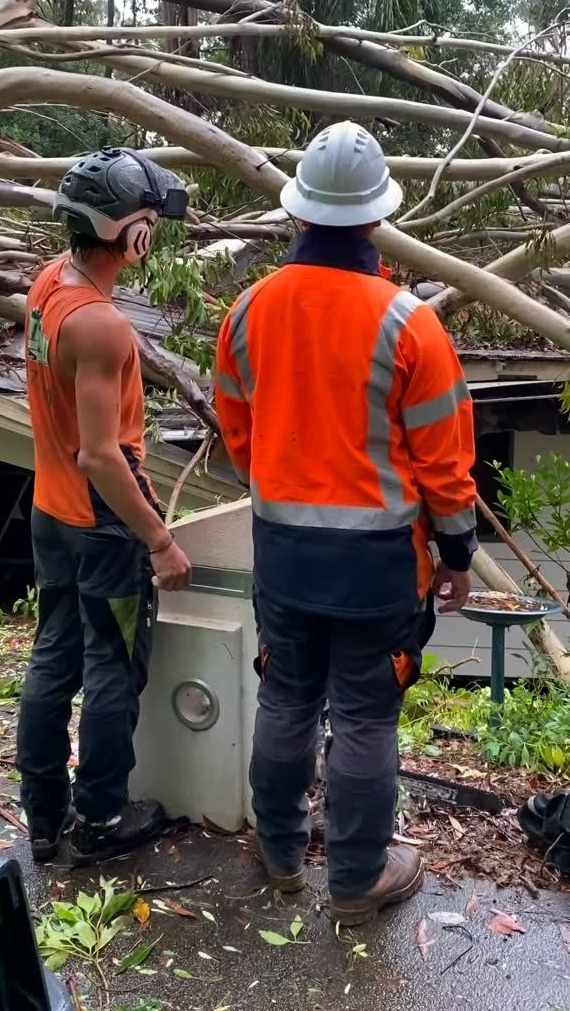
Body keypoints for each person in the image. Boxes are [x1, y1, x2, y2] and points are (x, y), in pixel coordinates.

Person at [214, 121, 478, 925]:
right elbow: (442, 463)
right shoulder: (411, 324)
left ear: (300, 212)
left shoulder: (247, 312)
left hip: (286, 557)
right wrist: (459, 550)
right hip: (379, 568)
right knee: (364, 713)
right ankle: (359, 879)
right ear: (375, 219)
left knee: (288, 699)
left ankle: (282, 855)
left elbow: (239, 439)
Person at [17, 147, 192, 866]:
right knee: (113, 668)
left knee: (52, 659)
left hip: (52, 513)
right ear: (133, 233)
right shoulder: (100, 325)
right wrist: (158, 539)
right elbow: (100, 453)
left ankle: (43, 817)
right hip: (102, 521)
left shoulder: (47, 285)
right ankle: (100, 822)